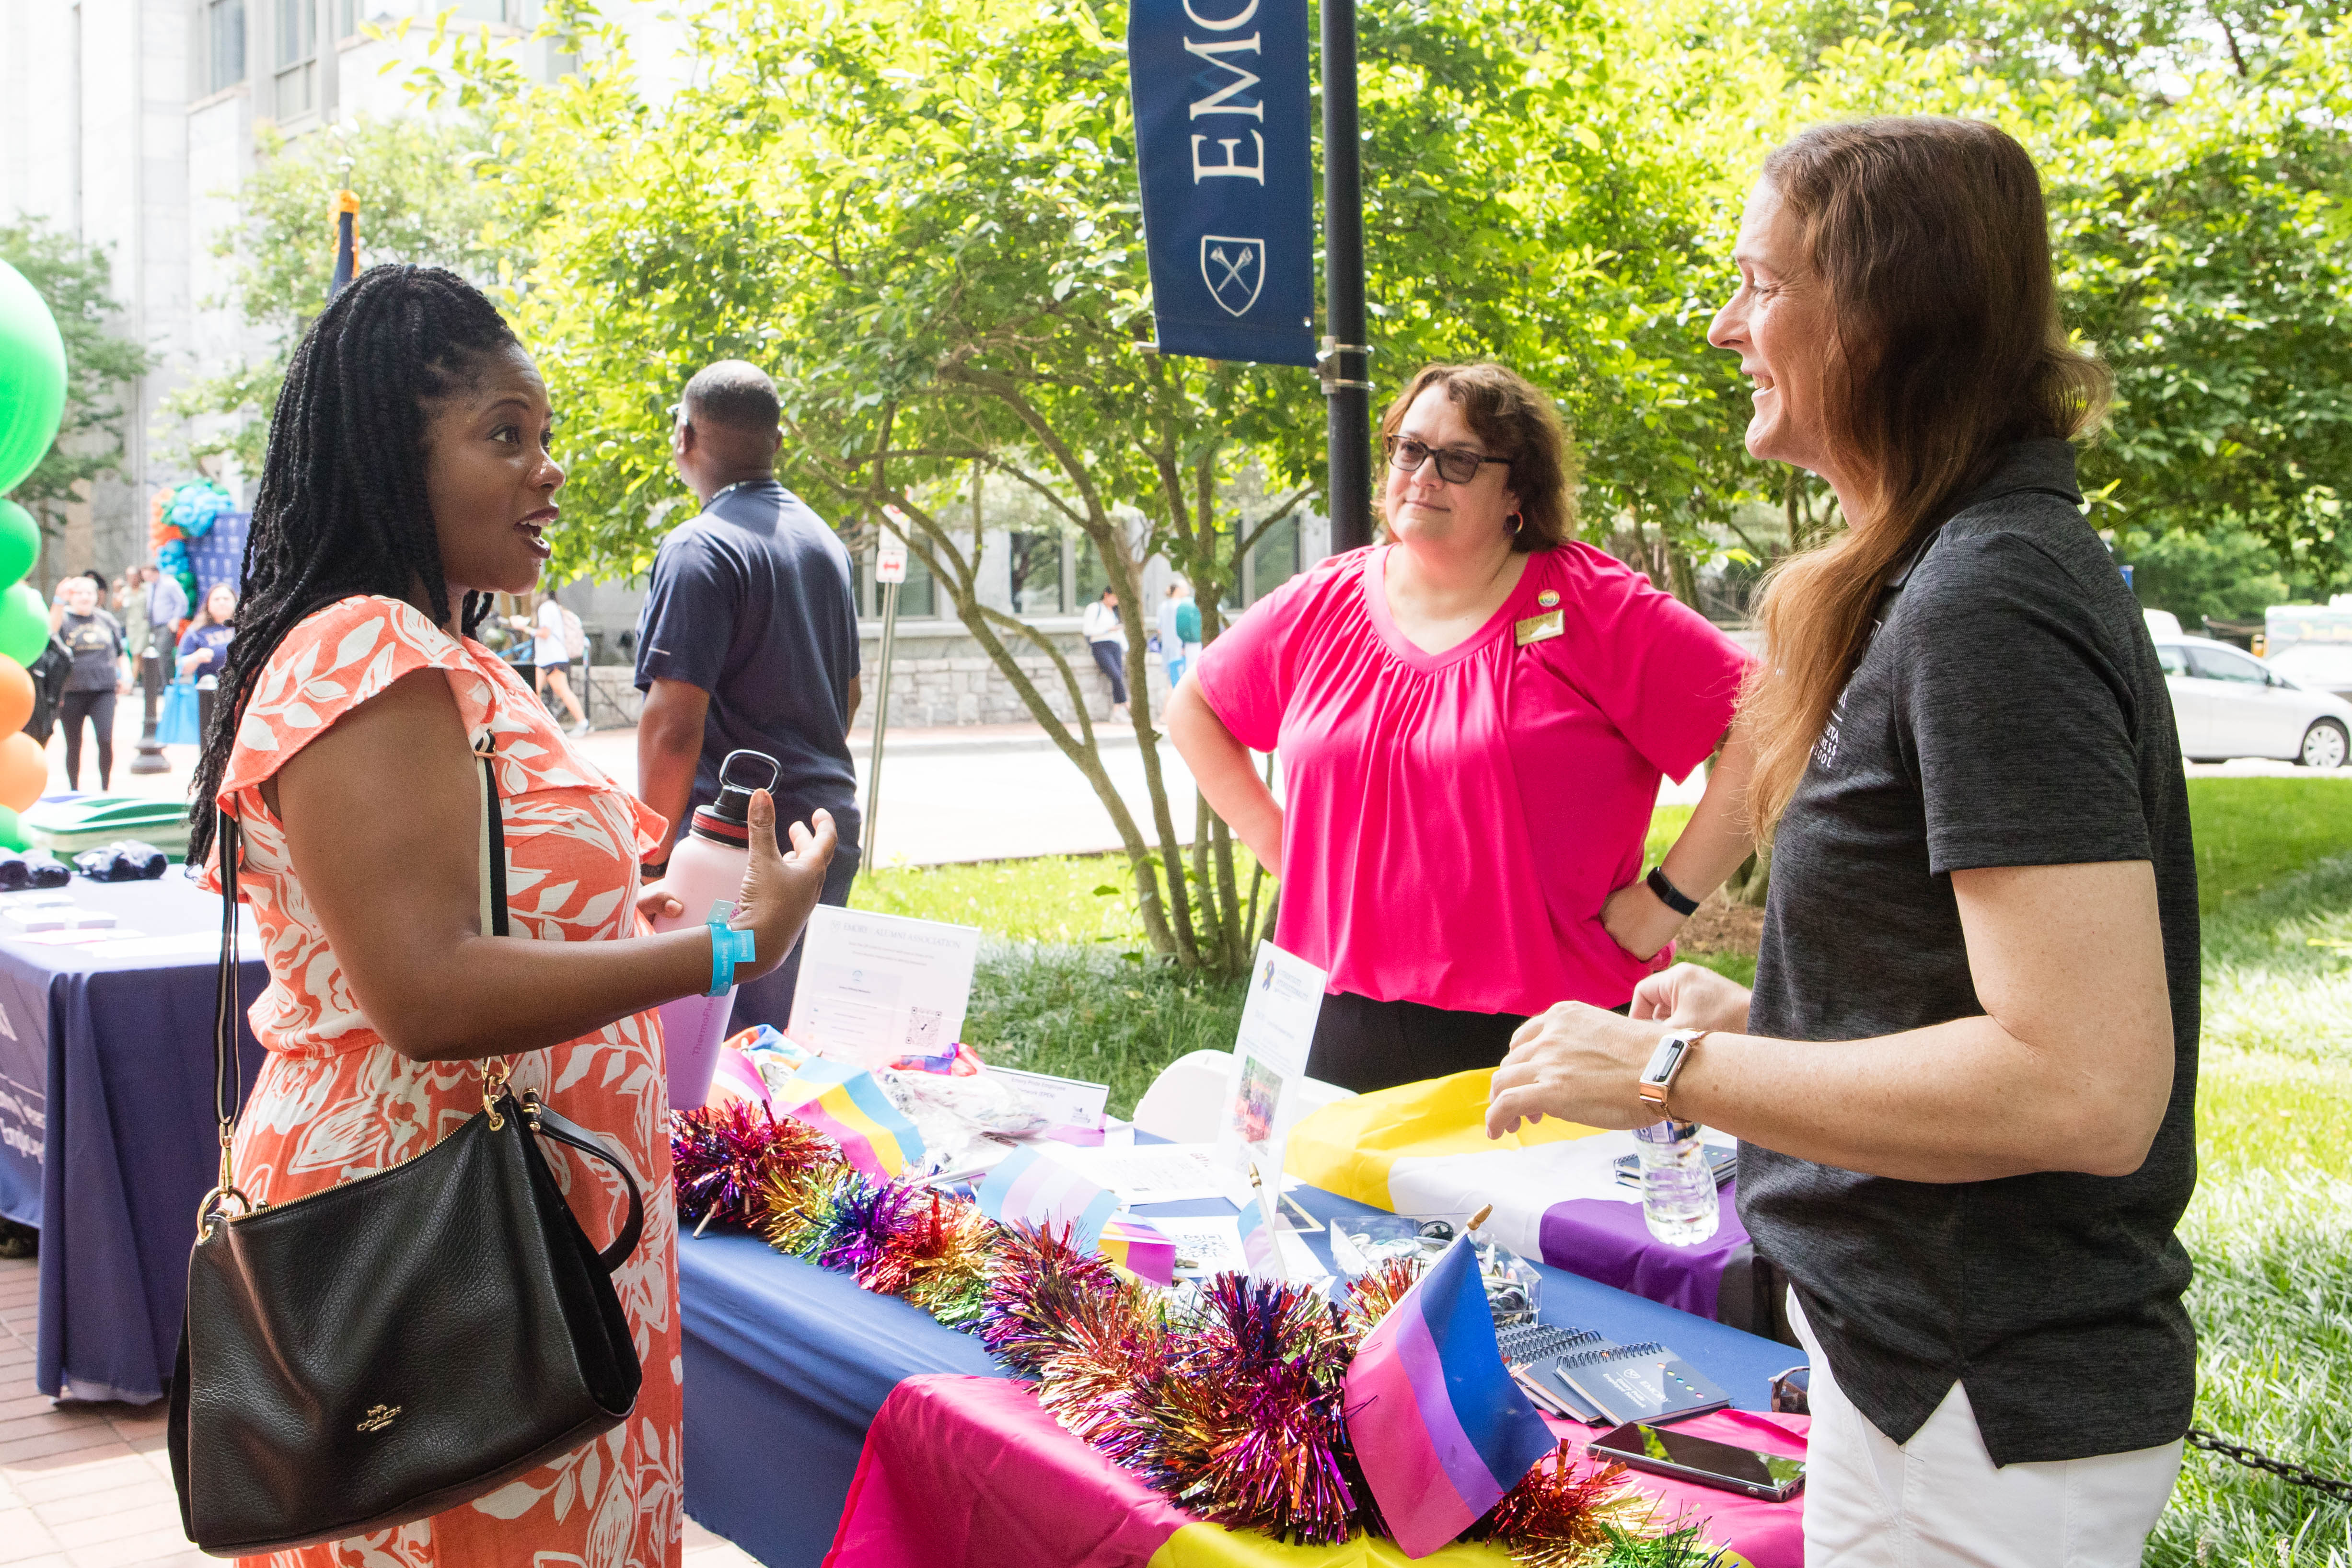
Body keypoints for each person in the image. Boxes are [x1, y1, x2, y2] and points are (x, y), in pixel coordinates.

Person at [1484, 118, 2196, 1567]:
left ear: (1881, 310)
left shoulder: (1986, 601)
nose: (1721, 323)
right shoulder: (1950, 571)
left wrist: (1674, 1069)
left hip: (1979, 1398)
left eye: (1758, 281)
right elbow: (1969, 1002)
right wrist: (1776, 1019)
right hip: (1917, 1374)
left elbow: (2084, 1083)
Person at [182, 264, 839, 1566]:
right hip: (440, 1254)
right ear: (393, 452)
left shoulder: (451, 656)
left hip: (525, 1239)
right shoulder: (366, 652)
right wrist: (722, 947)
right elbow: (425, 990)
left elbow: (467, 904)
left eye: (548, 436)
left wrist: (618, 909)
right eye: (502, 434)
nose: (546, 469)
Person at [1169, 361, 1758, 1093]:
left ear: (1516, 491)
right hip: (1324, 1015)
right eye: (1408, 449)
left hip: (1545, 1036)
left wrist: (1663, 902)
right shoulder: (1322, 600)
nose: (1421, 475)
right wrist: (1282, 848)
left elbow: (1768, 728)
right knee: (1307, 1209)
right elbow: (1193, 706)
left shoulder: (1590, 605)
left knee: (1537, 1214)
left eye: (1458, 460)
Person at [636, 359, 862, 1033]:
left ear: (683, 436)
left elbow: (672, 726)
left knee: (708, 1056)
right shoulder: (826, 544)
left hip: (732, 849)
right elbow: (847, 695)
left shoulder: (698, 549)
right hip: (822, 832)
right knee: (784, 1048)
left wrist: (648, 854)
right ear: (778, 441)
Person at [53, 576, 127, 790]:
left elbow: (120, 652)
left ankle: (105, 787)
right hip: (72, 690)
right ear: (71, 597)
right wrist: (59, 601)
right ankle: (74, 789)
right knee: (74, 743)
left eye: (90, 593)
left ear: (97, 596)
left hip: (104, 689)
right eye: (80, 593)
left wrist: (126, 676)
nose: (85, 597)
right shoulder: (64, 618)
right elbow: (51, 630)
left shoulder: (107, 619)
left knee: (105, 739)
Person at [531, 589, 590, 736]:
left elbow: (545, 633)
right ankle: (538, 727)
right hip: (546, 659)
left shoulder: (545, 608)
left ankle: (582, 723)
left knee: (562, 691)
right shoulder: (554, 607)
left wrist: (525, 629)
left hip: (552, 659)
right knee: (533, 692)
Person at [1081, 585, 1129, 720]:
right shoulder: (1095, 608)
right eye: (1115, 597)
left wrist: (1126, 648)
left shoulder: (1114, 612)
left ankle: (1117, 710)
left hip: (1116, 646)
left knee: (1118, 677)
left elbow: (1120, 632)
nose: (1116, 602)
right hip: (1101, 645)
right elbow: (1088, 630)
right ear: (1106, 595)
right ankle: (1126, 705)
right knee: (1116, 675)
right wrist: (1108, 630)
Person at [175, 583, 237, 678]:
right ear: (208, 604)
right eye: (217, 599)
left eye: (226, 599)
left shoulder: (246, 626)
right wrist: (196, 658)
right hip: (210, 689)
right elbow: (180, 666)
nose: (222, 603)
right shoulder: (196, 631)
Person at [139, 561, 188, 648]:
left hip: (167, 625)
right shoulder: (150, 586)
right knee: (156, 653)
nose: (147, 579)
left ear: (157, 573)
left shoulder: (169, 584)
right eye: (145, 577)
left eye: (149, 576)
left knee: (163, 653)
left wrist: (175, 619)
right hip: (154, 625)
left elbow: (182, 603)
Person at [1157, 580, 1192, 688]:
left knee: (1171, 682)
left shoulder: (1162, 606)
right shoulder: (1183, 605)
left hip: (1167, 647)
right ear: (1177, 590)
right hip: (1181, 648)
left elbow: (1159, 629)